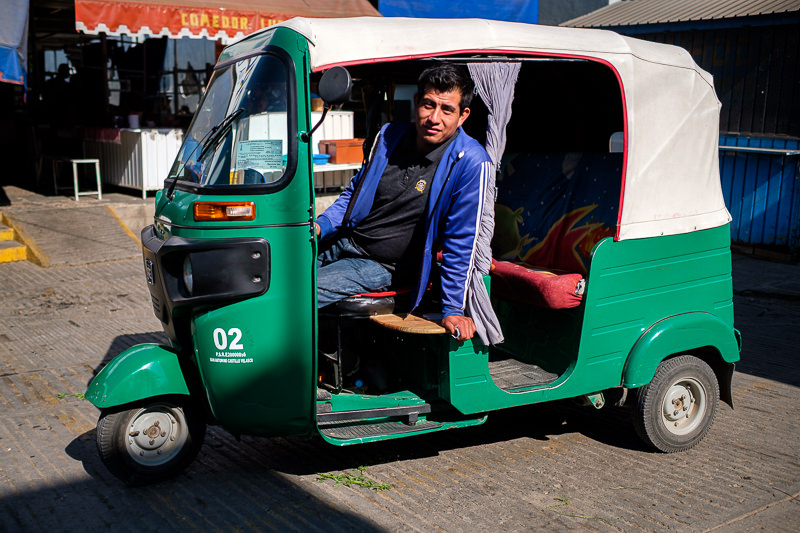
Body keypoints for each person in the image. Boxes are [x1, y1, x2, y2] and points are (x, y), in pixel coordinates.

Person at [315, 63, 492, 342]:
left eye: (447, 110)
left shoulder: (470, 161)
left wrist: (453, 308)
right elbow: (355, 193)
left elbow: (462, 240)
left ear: (462, 116)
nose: (434, 118)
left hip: (385, 265)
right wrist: (321, 226)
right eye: (428, 105)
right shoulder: (389, 136)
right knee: (273, 273)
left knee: (300, 292)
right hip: (344, 240)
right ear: (416, 102)